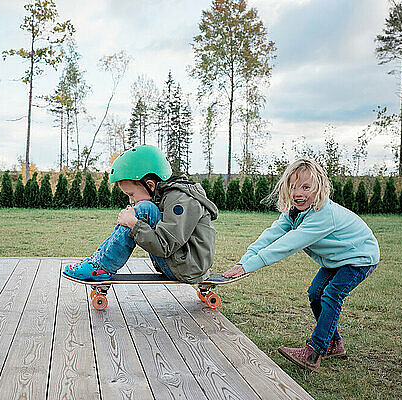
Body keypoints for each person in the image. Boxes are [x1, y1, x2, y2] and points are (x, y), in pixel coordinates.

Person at [222, 158, 379, 372]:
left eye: (306, 187)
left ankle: (313, 352)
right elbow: (270, 236)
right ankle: (334, 344)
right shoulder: (294, 213)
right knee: (316, 292)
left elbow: (286, 245)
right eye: (293, 187)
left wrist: (248, 267)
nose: (298, 193)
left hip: (360, 256)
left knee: (332, 294)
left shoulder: (323, 215)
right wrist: (243, 262)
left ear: (320, 188)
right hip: (338, 258)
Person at [63, 144, 218, 284]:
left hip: (187, 268)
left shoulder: (181, 200)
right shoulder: (166, 195)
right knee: (141, 209)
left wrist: (133, 223)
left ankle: (101, 266)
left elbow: (164, 246)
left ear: (150, 185)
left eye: (131, 194)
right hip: (180, 264)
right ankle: (98, 261)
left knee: (144, 209)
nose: (131, 201)